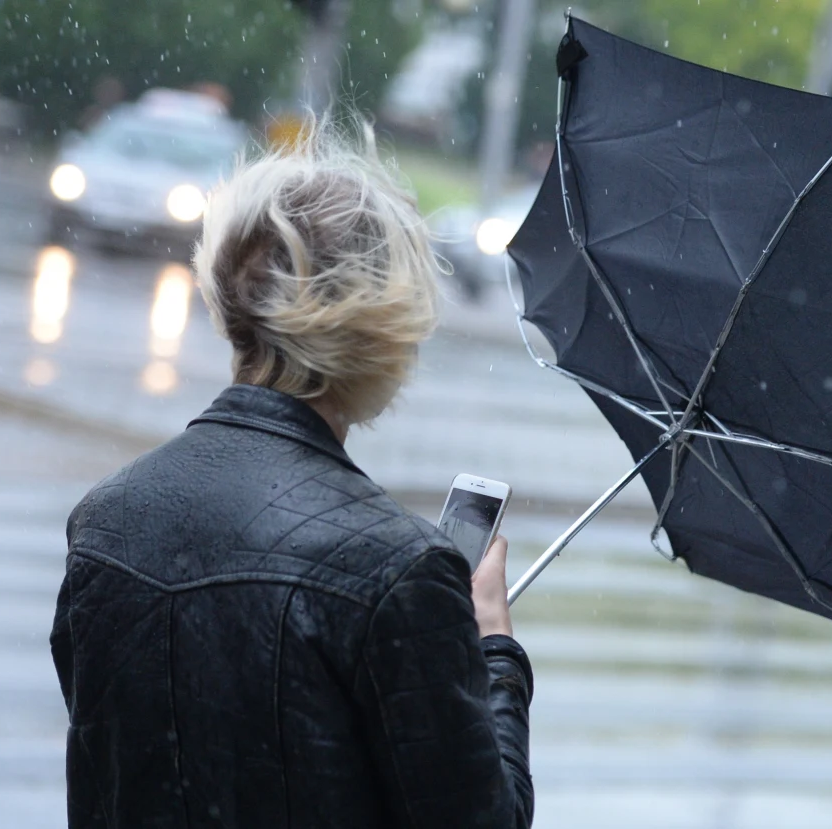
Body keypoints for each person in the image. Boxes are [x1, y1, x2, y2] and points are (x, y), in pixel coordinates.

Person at [50, 118, 535, 828]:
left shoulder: (106, 517)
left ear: (227, 287)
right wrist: (494, 648)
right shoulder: (401, 571)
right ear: (383, 326)